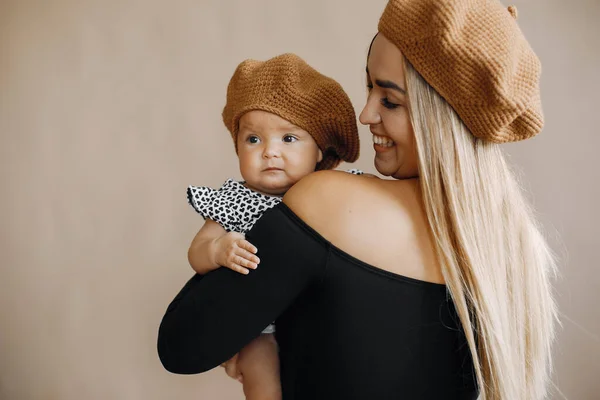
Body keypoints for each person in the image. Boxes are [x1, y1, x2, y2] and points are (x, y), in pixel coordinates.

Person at [158, 1, 557, 399]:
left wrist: (248, 333)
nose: (365, 114)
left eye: (390, 100)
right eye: (369, 86)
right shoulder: (514, 249)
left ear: (443, 118)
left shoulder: (328, 200)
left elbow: (182, 344)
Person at [184, 53, 361, 400]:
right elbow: (197, 251)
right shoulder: (232, 199)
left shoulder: (336, 193)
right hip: (258, 325)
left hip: (322, 316)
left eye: (289, 139)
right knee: (260, 370)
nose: (269, 152)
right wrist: (218, 250)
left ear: (319, 150)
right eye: (253, 139)